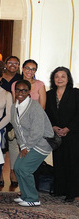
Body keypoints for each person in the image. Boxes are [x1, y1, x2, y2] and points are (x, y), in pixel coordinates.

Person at [11, 80, 53, 207]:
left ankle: (33, 198)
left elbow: (37, 131)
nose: (20, 93)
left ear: (29, 92)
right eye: (18, 90)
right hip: (27, 144)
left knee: (24, 169)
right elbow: (17, 129)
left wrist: (27, 147)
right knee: (17, 167)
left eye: (24, 90)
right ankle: (25, 195)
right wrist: (23, 146)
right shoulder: (14, 106)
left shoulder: (35, 107)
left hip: (42, 143)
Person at [45, 67, 79, 202]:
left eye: (63, 76)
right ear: (53, 79)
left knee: (73, 162)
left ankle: (72, 192)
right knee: (59, 161)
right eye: (57, 76)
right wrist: (53, 127)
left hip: (73, 133)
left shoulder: (76, 93)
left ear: (68, 78)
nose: (59, 79)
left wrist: (68, 128)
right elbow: (46, 114)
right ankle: (60, 189)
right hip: (56, 133)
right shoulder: (48, 94)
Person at [1, 56, 22, 187]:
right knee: (0, 146)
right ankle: (0, 174)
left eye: (16, 63)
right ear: (6, 64)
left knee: (14, 145)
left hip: (15, 115)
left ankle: (13, 173)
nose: (13, 65)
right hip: (0, 114)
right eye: (10, 63)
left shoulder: (21, 79)